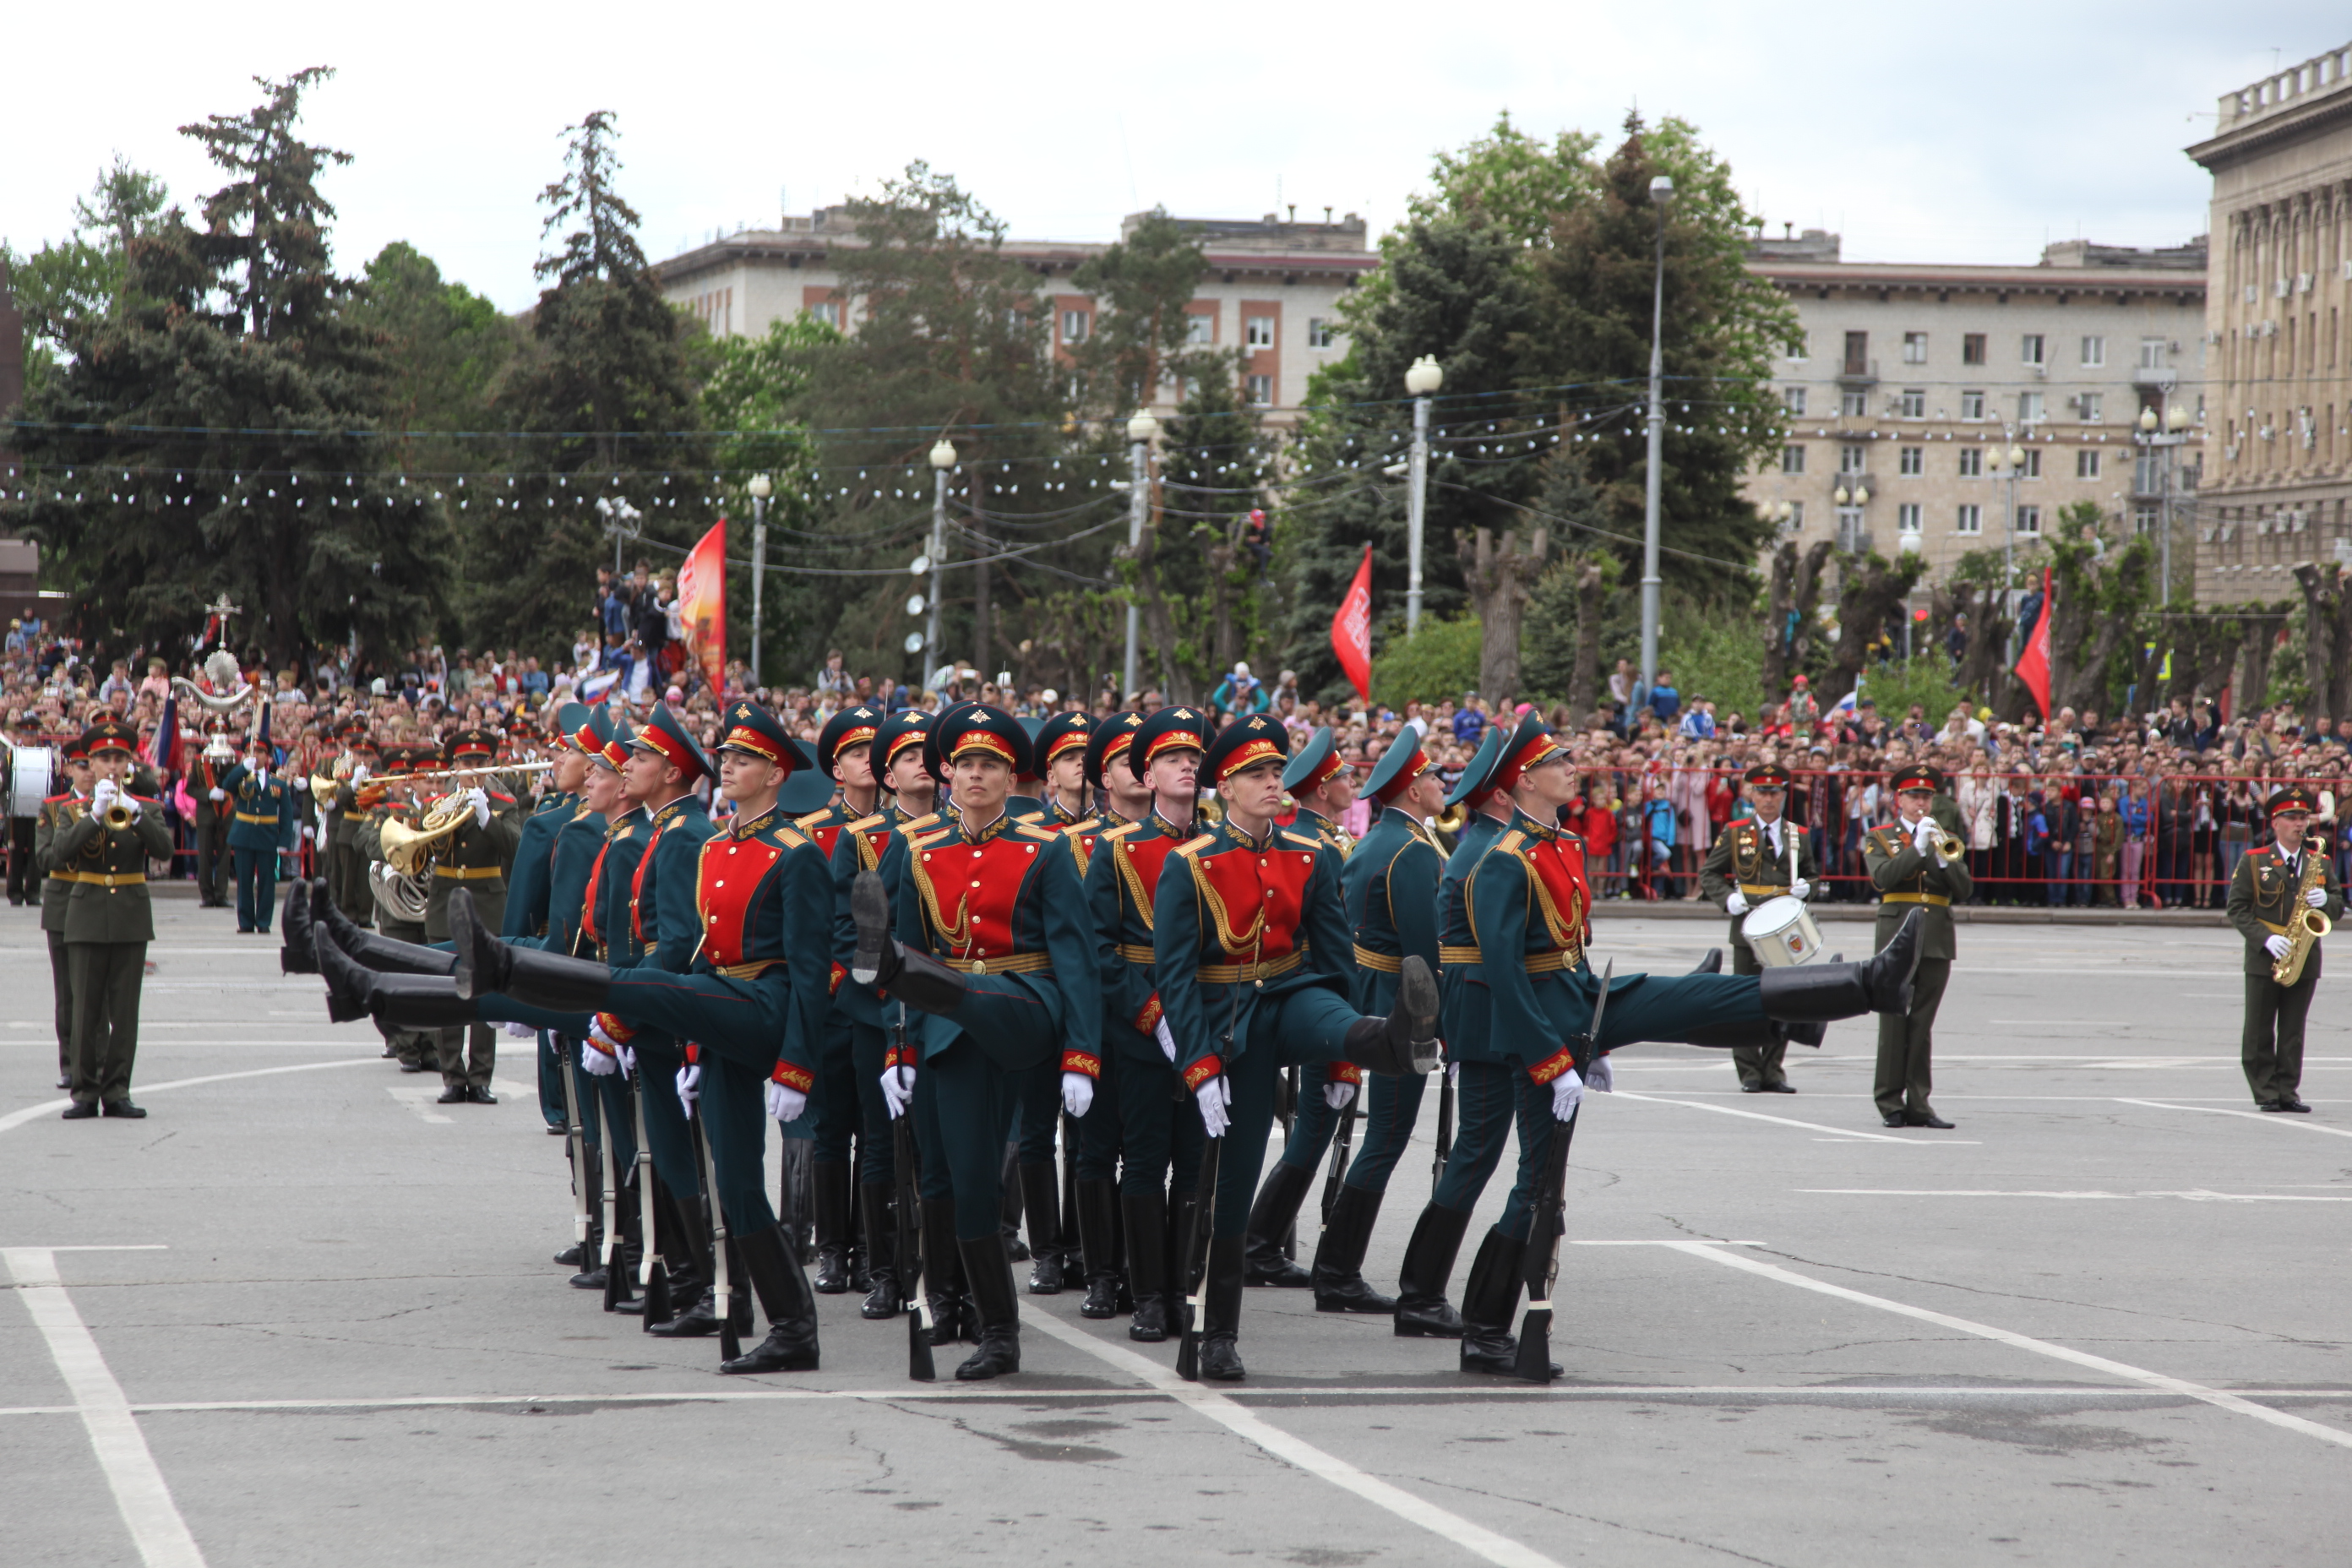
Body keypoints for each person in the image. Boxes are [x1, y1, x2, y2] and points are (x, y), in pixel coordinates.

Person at [1438, 712, 1921, 1377]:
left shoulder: (1559, 844)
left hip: (1576, 1007)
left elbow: (1567, 956)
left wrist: (1595, 1040)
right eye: (1558, 761)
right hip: (1539, 1028)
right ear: (1522, 782)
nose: (1572, 767)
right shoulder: (1502, 861)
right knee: (1536, 1187)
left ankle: (1860, 987)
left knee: (1692, 998)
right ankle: (1486, 1329)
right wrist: (1553, 1059)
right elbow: (1502, 971)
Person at [1152, 713, 1446, 1381]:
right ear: (1224, 787)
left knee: (1333, 1014)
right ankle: (1219, 1332)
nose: (1271, 783)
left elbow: (1336, 960)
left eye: (1276, 772)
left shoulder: (1309, 856)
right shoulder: (1190, 864)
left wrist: (1342, 1062)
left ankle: (1395, 1035)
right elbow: (1174, 977)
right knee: (1233, 1181)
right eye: (1256, 774)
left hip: (1290, 995)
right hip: (1229, 1021)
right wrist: (1198, 1067)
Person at [852, 703, 1101, 1380]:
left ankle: (999, 1329)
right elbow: (908, 946)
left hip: (1020, 1005)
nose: (977, 775)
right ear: (947, 774)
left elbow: (1074, 958)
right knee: (937, 1175)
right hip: (938, 1022)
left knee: (968, 1177)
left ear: (1008, 775)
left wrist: (1081, 1054)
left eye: (990, 764)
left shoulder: (1045, 850)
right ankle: (949, 1303)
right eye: (966, 764)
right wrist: (899, 1049)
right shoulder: (918, 847)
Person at [1084, 704, 1211, 1342]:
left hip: (1207, 1023)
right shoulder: (1116, 851)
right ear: (1148, 775)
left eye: (1192, 757)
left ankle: (1184, 1286)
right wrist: (1151, 1014)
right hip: (1140, 1026)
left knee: (1194, 1161)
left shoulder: (1220, 846)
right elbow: (1099, 949)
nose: (1185, 766)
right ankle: (1148, 1294)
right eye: (1170, 759)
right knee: (1143, 1159)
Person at [1313, 727, 1451, 1313]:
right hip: (1401, 1003)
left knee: (1382, 1137)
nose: (1443, 784)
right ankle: (1337, 1269)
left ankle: (1335, 1266)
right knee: (1387, 1137)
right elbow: (1426, 948)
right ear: (1415, 789)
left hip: (1372, 994)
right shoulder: (1413, 851)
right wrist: (1440, 1020)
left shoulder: (1375, 842)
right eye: (1435, 777)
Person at [1238, 726, 1362, 1288]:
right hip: (1309, 997)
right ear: (1319, 788)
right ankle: (1259, 1242)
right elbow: (1331, 937)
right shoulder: (1322, 846)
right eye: (1340, 776)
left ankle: (1262, 1241)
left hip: (1308, 995)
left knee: (1311, 1123)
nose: (1350, 783)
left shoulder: (1317, 838)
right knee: (1313, 1126)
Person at [55, 721, 174, 1119]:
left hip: (129, 913)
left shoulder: (148, 807)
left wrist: (138, 815)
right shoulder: (73, 810)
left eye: (118, 759)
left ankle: (118, 1089)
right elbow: (59, 855)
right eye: (103, 758)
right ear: (90, 762)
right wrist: (95, 814)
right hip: (87, 911)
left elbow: (165, 850)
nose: (110, 766)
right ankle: (85, 1091)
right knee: (85, 1008)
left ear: (129, 763)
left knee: (124, 1011)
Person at [1697, 762, 1819, 1093]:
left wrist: (1809, 887)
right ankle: (1749, 1070)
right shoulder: (1736, 832)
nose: (1769, 798)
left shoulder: (1798, 835)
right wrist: (1727, 899)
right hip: (1749, 925)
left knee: (1784, 999)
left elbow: (1813, 874)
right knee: (1746, 998)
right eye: (1762, 791)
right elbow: (1709, 873)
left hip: (1785, 927)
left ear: (1783, 794)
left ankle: (1774, 1069)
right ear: (1751, 793)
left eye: (1775, 792)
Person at [1864, 765, 1971, 1129]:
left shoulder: (1948, 836)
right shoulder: (1879, 836)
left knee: (1922, 1023)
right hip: (1896, 935)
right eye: (1914, 796)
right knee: (1893, 1021)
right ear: (1899, 799)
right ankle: (1890, 1102)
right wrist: (1917, 848)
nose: (1921, 802)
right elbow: (1883, 878)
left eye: (1926, 796)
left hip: (1937, 936)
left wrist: (1943, 858)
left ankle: (1920, 1103)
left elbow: (1965, 888)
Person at [2226, 786, 2343, 1113]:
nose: (2300, 824)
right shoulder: (2255, 861)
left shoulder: (2320, 861)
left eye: (2303, 817)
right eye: (2292, 818)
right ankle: (2265, 1090)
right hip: (2267, 952)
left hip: (2304, 954)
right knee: (2260, 1028)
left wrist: (2328, 902)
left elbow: (2337, 904)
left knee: (2293, 1030)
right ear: (2275, 822)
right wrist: (2265, 938)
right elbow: (2237, 909)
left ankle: (2288, 1089)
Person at [423, 728, 523, 1105]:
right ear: (455, 765)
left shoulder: (503, 801)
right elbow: (426, 844)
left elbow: (515, 846)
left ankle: (480, 1077)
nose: (474, 769)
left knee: (484, 990)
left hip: (487, 901)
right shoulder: (438, 802)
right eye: (467, 763)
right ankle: (452, 1075)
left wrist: (486, 817)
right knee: (447, 988)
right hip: (446, 897)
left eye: (481, 763)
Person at [32, 736, 93, 1089]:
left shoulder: (114, 802)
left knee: (96, 991)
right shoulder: (53, 807)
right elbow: (45, 858)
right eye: (82, 765)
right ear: (69, 768)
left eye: (92, 765)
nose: (88, 772)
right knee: (68, 992)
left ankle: (95, 1061)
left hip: (98, 900)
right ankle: (70, 1063)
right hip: (64, 902)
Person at [219, 733, 297, 934]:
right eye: (252, 751)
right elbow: (226, 785)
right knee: (244, 881)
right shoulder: (242, 777)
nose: (257, 756)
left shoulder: (277, 783)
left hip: (267, 835)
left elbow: (286, 815)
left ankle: (263, 921)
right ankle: (245, 922)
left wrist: (284, 840)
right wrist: (243, 768)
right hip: (244, 834)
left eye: (261, 752)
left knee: (267, 882)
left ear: (268, 757)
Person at [187, 724, 238, 909]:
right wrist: (208, 794)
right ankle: (207, 895)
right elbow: (190, 788)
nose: (218, 736)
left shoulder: (234, 758)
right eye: (215, 733)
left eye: (222, 733)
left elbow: (237, 784)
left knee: (225, 857)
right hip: (207, 814)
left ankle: (221, 894)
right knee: (205, 856)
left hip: (227, 812)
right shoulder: (199, 761)